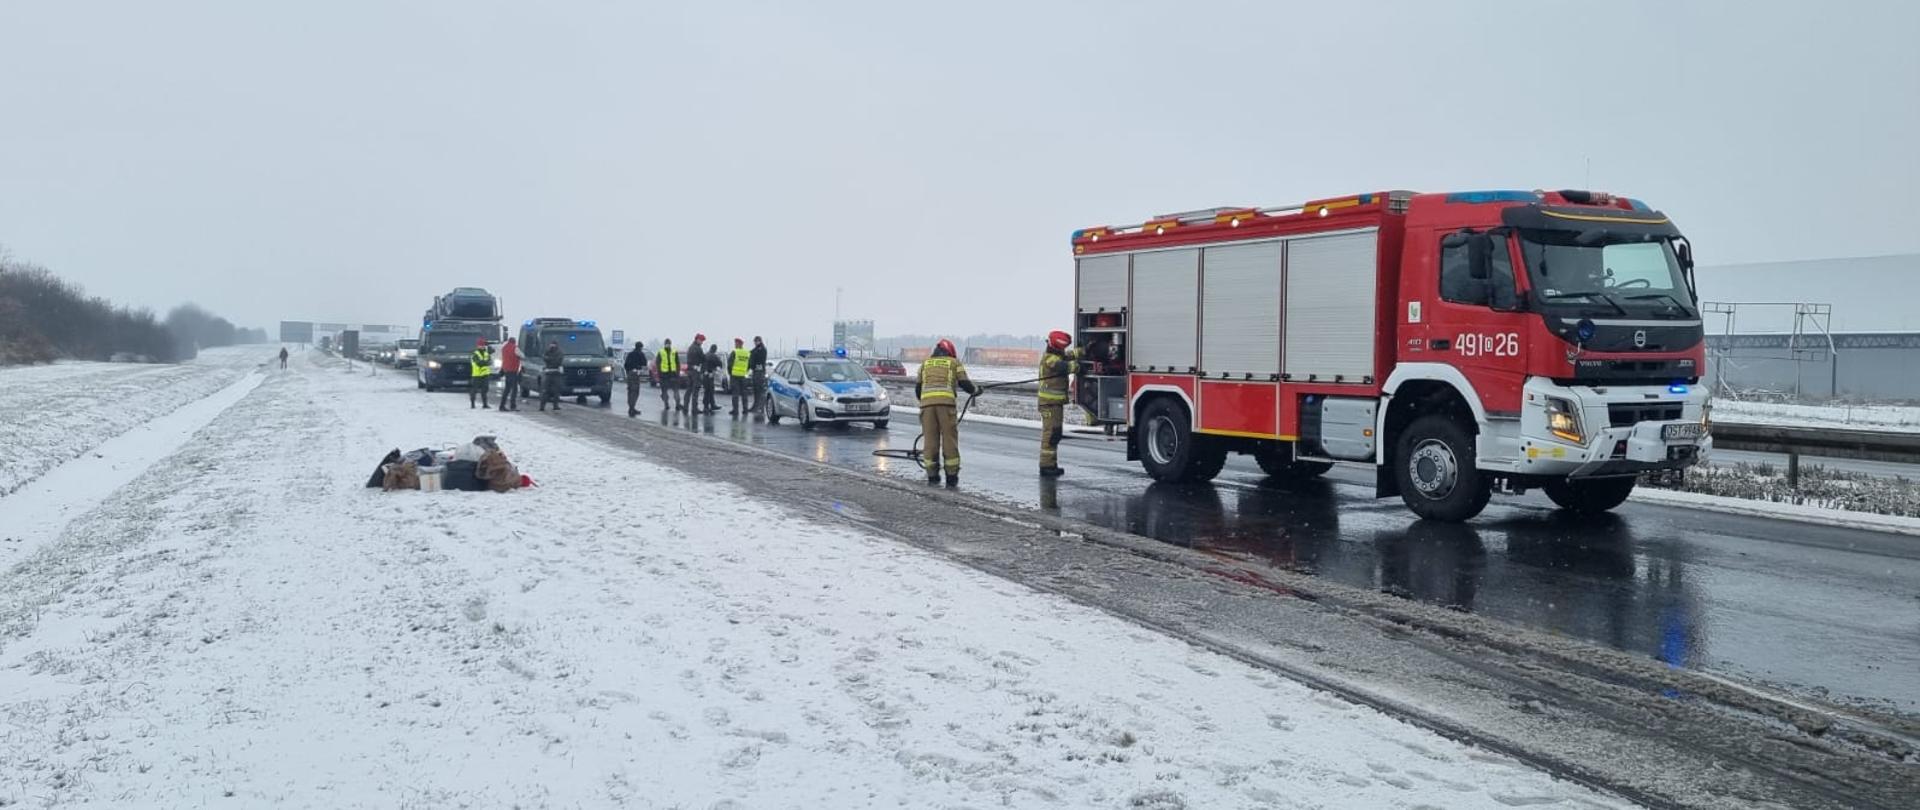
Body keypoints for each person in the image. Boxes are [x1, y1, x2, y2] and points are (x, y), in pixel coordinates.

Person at [914, 338, 976, 486]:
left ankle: (932, 475)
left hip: (927, 406)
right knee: (949, 440)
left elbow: (918, 389)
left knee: (930, 440)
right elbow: (964, 383)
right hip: (946, 406)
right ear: (950, 352)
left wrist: (925, 401)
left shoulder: (925, 364)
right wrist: (976, 390)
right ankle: (951, 476)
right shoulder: (953, 363)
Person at [1038, 330, 1082, 476]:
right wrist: (1077, 367)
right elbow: (1063, 366)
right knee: (1050, 434)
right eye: (1062, 348)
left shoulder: (1057, 354)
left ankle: (1051, 463)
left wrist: (1082, 351)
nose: (1064, 350)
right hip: (1049, 404)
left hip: (1055, 404)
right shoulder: (1050, 359)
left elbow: (1068, 355)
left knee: (1055, 433)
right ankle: (1046, 466)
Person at [657, 338, 685, 412]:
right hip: (664, 374)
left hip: (673, 374)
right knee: (664, 391)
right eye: (667, 344)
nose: (668, 345)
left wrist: (677, 372)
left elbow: (677, 363)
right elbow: (658, 364)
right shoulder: (661, 352)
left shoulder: (674, 352)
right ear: (664, 344)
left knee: (676, 390)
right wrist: (659, 373)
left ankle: (678, 404)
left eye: (669, 344)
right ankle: (666, 404)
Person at [727, 338, 753, 417]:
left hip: (735, 376)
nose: (735, 344)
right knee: (744, 393)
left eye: (736, 343)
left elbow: (729, 364)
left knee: (735, 394)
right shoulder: (747, 353)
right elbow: (750, 364)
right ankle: (745, 409)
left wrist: (730, 372)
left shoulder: (734, 352)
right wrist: (745, 371)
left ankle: (735, 410)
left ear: (738, 344)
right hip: (743, 376)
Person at [623, 340, 649, 418]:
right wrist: (639, 367)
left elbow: (626, 365)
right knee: (635, 391)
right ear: (641, 347)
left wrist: (628, 372)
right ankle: (632, 408)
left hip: (630, 373)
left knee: (630, 390)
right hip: (636, 374)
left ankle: (631, 407)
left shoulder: (630, 354)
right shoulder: (641, 354)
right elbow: (644, 363)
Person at [539, 341, 564, 412]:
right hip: (554, 373)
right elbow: (557, 361)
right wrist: (552, 359)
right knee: (553, 390)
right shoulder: (558, 352)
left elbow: (548, 359)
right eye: (551, 345)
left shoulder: (550, 352)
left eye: (553, 345)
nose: (552, 346)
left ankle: (543, 406)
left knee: (547, 390)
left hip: (550, 373)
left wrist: (549, 359)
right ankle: (553, 406)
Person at [499, 337, 522, 411]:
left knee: (507, 389)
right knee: (514, 389)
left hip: (506, 370)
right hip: (513, 371)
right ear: (514, 342)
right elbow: (522, 355)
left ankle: (502, 405)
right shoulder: (515, 348)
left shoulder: (504, 348)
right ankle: (512, 405)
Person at [469, 338, 493, 409]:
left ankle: (485, 404)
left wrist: (485, 362)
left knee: (485, 390)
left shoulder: (486, 353)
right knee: (474, 390)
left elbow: (490, 361)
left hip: (485, 374)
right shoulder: (475, 354)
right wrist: (486, 363)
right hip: (477, 375)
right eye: (481, 345)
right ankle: (472, 404)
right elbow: (479, 363)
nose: (482, 346)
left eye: (483, 345)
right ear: (477, 346)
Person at [686, 334, 708, 412]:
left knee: (689, 389)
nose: (702, 342)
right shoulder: (698, 348)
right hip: (695, 371)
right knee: (695, 390)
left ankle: (685, 407)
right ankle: (694, 408)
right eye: (701, 340)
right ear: (697, 339)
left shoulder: (690, 347)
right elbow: (703, 359)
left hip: (689, 370)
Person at [749, 336, 769, 420]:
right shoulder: (755, 350)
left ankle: (760, 407)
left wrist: (753, 354)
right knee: (756, 390)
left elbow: (759, 357)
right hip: (755, 371)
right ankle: (755, 406)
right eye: (755, 341)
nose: (756, 343)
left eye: (757, 341)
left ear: (760, 341)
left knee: (760, 390)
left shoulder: (762, 349)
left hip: (760, 372)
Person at [704, 344, 723, 413]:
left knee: (708, 390)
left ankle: (710, 405)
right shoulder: (713, 356)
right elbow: (720, 363)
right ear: (715, 349)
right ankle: (708, 406)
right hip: (710, 374)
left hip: (705, 374)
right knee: (709, 390)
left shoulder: (706, 355)